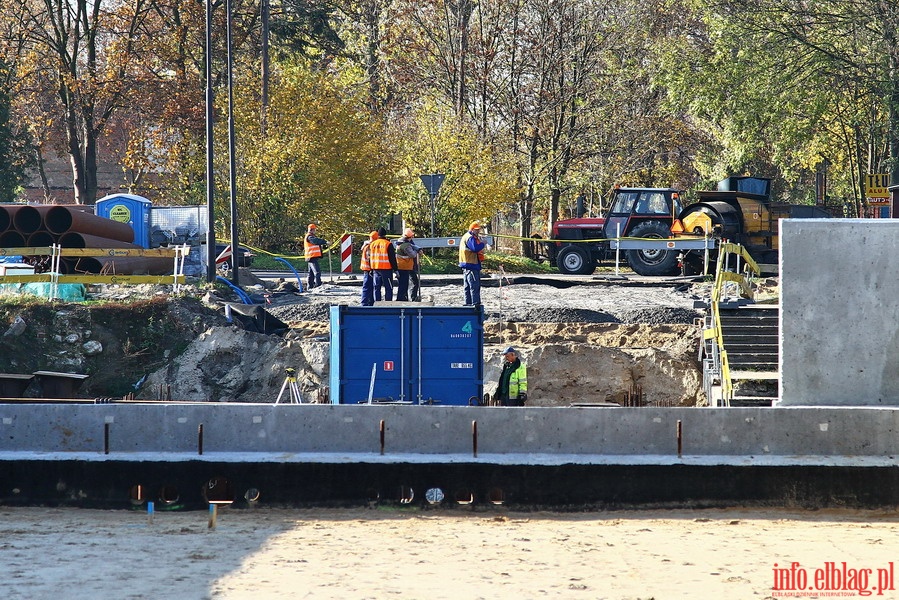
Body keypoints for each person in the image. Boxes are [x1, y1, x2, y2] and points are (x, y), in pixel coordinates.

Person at [458, 221, 487, 306]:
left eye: (478, 230)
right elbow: (475, 248)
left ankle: (468, 304)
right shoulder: (470, 238)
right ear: (472, 229)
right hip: (471, 265)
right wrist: (483, 244)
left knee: (467, 287)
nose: (478, 231)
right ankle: (475, 305)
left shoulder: (467, 236)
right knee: (474, 286)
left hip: (467, 264)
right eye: (476, 230)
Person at [394, 228, 423, 301]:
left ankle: (404, 299)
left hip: (402, 267)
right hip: (405, 267)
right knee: (408, 284)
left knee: (403, 285)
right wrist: (417, 251)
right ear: (410, 237)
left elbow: (412, 246)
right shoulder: (406, 246)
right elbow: (412, 255)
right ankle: (408, 299)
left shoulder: (400, 242)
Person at [370, 226, 397, 301]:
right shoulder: (388, 244)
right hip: (386, 269)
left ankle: (377, 303)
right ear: (385, 235)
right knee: (388, 287)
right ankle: (388, 303)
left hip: (376, 269)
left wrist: (370, 269)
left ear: (378, 235)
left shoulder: (373, 244)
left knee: (376, 287)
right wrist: (396, 269)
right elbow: (392, 258)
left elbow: (370, 257)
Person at [304, 224, 328, 289]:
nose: (315, 231)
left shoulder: (310, 236)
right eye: (314, 229)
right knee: (317, 272)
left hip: (311, 257)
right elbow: (316, 241)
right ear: (312, 230)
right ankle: (318, 285)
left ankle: (310, 287)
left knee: (311, 274)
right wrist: (325, 242)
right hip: (312, 257)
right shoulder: (309, 237)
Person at [359, 231, 378, 306]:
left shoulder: (366, 245)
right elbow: (370, 258)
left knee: (369, 286)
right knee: (367, 286)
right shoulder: (369, 247)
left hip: (366, 268)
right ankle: (364, 303)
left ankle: (370, 302)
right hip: (369, 269)